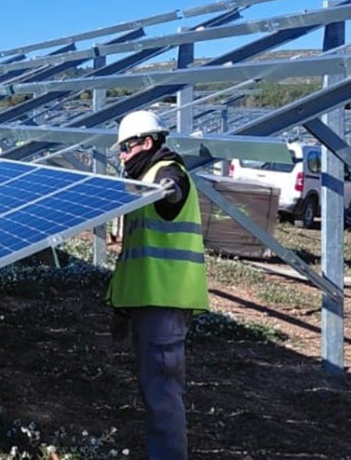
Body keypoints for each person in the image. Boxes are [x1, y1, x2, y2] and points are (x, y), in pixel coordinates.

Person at [107, 110, 209, 460]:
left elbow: (173, 193)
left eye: (125, 147)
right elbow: (136, 254)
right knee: (155, 390)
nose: (122, 155)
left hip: (165, 304)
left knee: (162, 395)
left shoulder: (165, 173)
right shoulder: (141, 182)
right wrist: (121, 305)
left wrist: (168, 191)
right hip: (148, 302)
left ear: (147, 142)